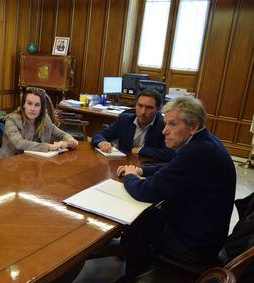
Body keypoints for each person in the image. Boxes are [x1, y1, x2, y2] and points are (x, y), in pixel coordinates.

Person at [117, 96, 236, 273]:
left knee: (140, 220)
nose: (164, 131)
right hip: (206, 236)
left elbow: (146, 191)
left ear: (193, 126)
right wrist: (141, 171)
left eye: (172, 124)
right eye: (165, 124)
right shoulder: (205, 142)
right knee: (149, 215)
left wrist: (130, 176)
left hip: (192, 248)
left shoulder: (196, 152)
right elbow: (171, 167)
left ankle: (132, 282)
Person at [0, 87, 78, 160]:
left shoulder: (45, 120)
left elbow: (60, 134)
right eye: (29, 103)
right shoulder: (11, 120)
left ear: (42, 108)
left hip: (31, 165)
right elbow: (19, 143)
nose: (32, 109)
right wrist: (51, 147)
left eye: (37, 105)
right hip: (6, 164)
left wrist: (70, 140)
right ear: (24, 105)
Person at [91, 89, 175, 162]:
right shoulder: (125, 119)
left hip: (149, 169)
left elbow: (169, 153)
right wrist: (102, 143)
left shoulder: (164, 125)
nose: (143, 112)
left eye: (149, 107)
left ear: (158, 109)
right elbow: (98, 135)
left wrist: (141, 150)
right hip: (124, 164)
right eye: (140, 106)